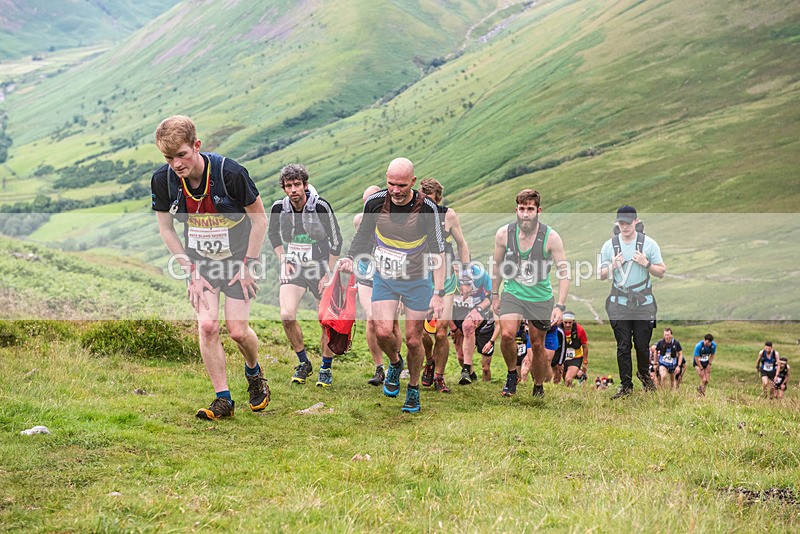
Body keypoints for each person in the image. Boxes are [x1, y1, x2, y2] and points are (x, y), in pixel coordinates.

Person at [151, 115, 269, 420]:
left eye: (181, 155)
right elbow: (166, 229)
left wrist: (249, 265)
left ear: (197, 146)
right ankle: (223, 400)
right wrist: (190, 270)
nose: (176, 164)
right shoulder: (163, 180)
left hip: (238, 260)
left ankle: (254, 374)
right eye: (168, 157)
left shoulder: (230, 173)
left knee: (238, 331)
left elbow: (260, 220)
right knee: (207, 326)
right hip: (201, 263)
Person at [340, 157, 446, 413]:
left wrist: (439, 293)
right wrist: (350, 258)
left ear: (413, 181)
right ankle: (395, 363)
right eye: (391, 184)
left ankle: (413, 389)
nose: (396, 191)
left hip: (417, 280)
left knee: (413, 339)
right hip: (386, 276)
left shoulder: (427, 208)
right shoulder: (375, 203)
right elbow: (363, 235)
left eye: (401, 185)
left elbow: (438, 252)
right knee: (383, 331)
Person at [268, 164, 343, 387]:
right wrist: (282, 259)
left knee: (326, 321)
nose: (293, 190)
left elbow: (336, 239)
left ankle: (326, 368)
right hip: (295, 266)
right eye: (288, 186)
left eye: (297, 185)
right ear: (284, 188)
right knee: (286, 315)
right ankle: (303, 363)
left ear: (305, 185)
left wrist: (328, 273)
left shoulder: (320, 206)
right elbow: (273, 234)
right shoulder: (278, 208)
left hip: (320, 266)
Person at [491, 189, 570, 398]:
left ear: (538, 211)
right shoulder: (503, 235)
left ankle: (538, 385)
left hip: (540, 297)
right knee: (507, 334)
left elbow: (564, 273)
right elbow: (497, 266)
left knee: (536, 343)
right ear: (516, 210)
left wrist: (560, 306)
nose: (526, 214)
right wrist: (494, 294)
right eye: (522, 209)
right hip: (512, 292)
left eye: (530, 209)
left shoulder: (551, 237)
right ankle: (511, 375)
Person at [599, 205, 666, 399]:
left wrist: (647, 264)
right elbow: (601, 275)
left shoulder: (649, 244)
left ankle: (645, 378)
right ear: (617, 223)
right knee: (623, 345)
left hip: (643, 302)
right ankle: (626, 385)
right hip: (618, 301)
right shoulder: (609, 246)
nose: (625, 226)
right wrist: (613, 265)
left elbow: (661, 271)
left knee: (643, 345)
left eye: (628, 222)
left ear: (636, 221)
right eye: (621, 223)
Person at [418, 178, 471, 393]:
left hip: (447, 278)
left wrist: (466, 278)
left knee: (441, 332)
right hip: (419, 278)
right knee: (420, 333)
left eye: (431, 201)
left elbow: (462, 244)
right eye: (424, 200)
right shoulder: (413, 214)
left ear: (438, 199)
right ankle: (429, 361)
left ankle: (439, 376)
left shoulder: (448, 215)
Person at [353, 185, 402, 386]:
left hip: (391, 275)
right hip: (367, 272)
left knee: (392, 324)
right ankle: (379, 367)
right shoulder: (360, 220)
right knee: (372, 318)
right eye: (366, 203)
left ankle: (395, 361)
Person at [451, 264, 494, 386]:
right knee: (460, 356)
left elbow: (490, 296)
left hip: (479, 309)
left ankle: (465, 369)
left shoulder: (480, 273)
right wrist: (452, 328)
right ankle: (471, 374)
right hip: (458, 311)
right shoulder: (449, 275)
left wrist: (479, 309)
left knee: (468, 326)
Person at [560, 311, 589, 387]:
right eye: (565, 322)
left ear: (573, 321)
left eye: (570, 323)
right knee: (559, 380)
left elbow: (585, 347)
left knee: (568, 379)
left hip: (575, 358)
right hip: (561, 357)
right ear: (562, 321)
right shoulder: (558, 329)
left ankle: (568, 395)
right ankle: (568, 393)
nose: (567, 325)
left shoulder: (580, 330)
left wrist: (585, 362)